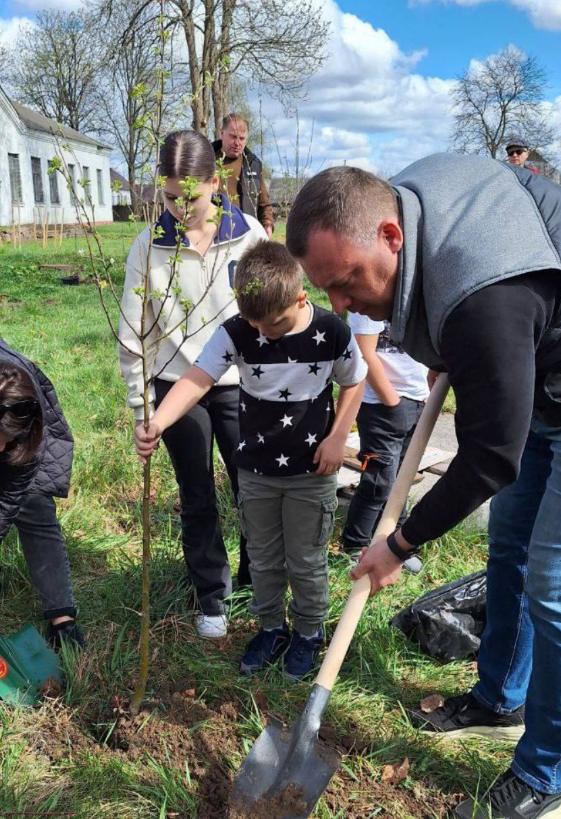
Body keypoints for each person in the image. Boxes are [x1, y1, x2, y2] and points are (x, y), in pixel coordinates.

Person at [286, 158, 561, 818]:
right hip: (537, 377)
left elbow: (488, 457)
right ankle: (499, 700)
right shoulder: (410, 203)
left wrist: (400, 539)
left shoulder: (480, 291)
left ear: (390, 235)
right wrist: (452, 345)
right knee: (510, 549)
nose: (341, 305)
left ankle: (546, 775)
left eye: (347, 282)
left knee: (551, 584)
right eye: (326, 289)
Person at [135, 241, 366, 680]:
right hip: (256, 470)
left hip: (310, 472)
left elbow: (354, 382)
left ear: (301, 297)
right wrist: (158, 422)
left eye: (275, 323)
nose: (265, 332)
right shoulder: (239, 329)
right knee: (262, 557)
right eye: (254, 323)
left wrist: (338, 438)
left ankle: (309, 633)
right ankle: (271, 627)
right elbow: (199, 377)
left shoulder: (332, 331)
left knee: (306, 558)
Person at [119, 130, 267, 640]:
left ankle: (258, 582)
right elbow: (133, 335)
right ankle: (211, 594)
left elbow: (271, 313)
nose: (180, 210)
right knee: (197, 493)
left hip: (237, 385)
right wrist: (144, 411)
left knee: (252, 486)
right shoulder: (148, 245)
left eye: (192, 198)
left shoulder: (246, 236)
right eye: (168, 198)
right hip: (175, 384)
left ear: (214, 183)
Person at [0, 340, 83, 649]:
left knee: (34, 507)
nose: (1, 448)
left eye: (6, 440)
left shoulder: (26, 413)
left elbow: (9, 501)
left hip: (29, 434)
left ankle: (63, 621)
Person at [342, 314, 428, 561]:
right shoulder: (367, 300)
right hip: (382, 405)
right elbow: (364, 352)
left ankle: (396, 543)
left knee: (403, 477)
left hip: (418, 399)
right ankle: (355, 544)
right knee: (379, 480)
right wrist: (391, 400)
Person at [213, 113, 275, 238]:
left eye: (242, 138)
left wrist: (268, 224)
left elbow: (264, 204)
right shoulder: (206, 161)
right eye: (233, 137)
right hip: (214, 235)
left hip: (246, 236)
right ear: (222, 133)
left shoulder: (253, 164)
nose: (237, 143)